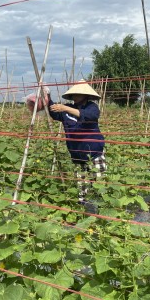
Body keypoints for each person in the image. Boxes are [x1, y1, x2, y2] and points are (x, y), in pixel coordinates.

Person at [47, 79, 106, 211]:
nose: (75, 97)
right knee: (81, 184)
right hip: (77, 155)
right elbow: (53, 112)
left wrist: (64, 108)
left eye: (78, 94)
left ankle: (101, 208)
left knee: (99, 181)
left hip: (94, 152)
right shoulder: (67, 109)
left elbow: (89, 116)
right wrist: (47, 97)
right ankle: (83, 209)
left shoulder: (92, 107)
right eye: (74, 94)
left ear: (85, 95)